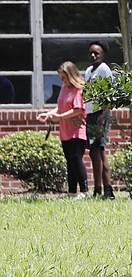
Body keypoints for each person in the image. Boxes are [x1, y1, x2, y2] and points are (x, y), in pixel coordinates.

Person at [37, 61, 89, 199]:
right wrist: (48, 114)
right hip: (65, 130)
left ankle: (84, 191)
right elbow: (60, 108)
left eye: (64, 78)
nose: (63, 81)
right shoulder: (64, 88)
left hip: (77, 129)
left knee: (76, 158)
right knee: (69, 161)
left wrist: (59, 117)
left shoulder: (79, 89)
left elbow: (78, 110)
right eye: (61, 79)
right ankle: (72, 192)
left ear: (71, 75)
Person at [84, 41, 115, 199]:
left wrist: (103, 116)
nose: (93, 55)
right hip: (90, 114)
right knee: (95, 152)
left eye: (96, 53)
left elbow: (110, 95)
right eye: (91, 52)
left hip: (100, 113)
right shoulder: (89, 71)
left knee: (98, 150)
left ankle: (100, 189)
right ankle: (105, 190)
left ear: (103, 54)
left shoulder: (104, 69)